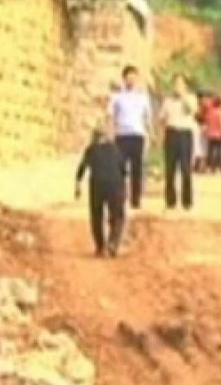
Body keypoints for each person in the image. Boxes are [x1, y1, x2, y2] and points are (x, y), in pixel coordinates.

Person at [74, 125, 126, 258]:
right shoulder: (115, 149)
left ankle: (100, 246)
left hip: (97, 184)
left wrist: (78, 186)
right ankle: (113, 242)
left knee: (96, 215)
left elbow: (82, 168)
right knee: (117, 216)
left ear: (94, 137)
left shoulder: (91, 149)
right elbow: (124, 170)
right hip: (115, 184)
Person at [109, 65, 152, 210]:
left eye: (133, 77)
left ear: (137, 79)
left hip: (137, 135)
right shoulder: (117, 97)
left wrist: (150, 133)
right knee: (119, 168)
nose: (131, 80)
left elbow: (147, 118)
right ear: (124, 79)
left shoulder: (142, 98)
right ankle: (120, 196)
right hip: (122, 135)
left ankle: (136, 199)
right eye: (128, 77)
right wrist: (110, 133)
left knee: (137, 169)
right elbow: (111, 116)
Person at [160, 74, 198, 211]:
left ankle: (187, 201)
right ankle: (170, 201)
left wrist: (182, 97)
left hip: (185, 134)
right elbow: (162, 118)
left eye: (180, 84)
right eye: (175, 84)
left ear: (185, 85)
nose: (177, 86)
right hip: (171, 133)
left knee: (186, 168)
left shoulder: (191, 98)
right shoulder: (167, 101)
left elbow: (192, 111)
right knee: (170, 169)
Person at [203, 96, 221, 174]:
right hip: (218, 135)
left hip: (210, 134)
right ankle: (217, 168)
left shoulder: (210, 112)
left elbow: (206, 121)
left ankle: (208, 167)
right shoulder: (220, 112)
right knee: (219, 152)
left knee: (210, 151)